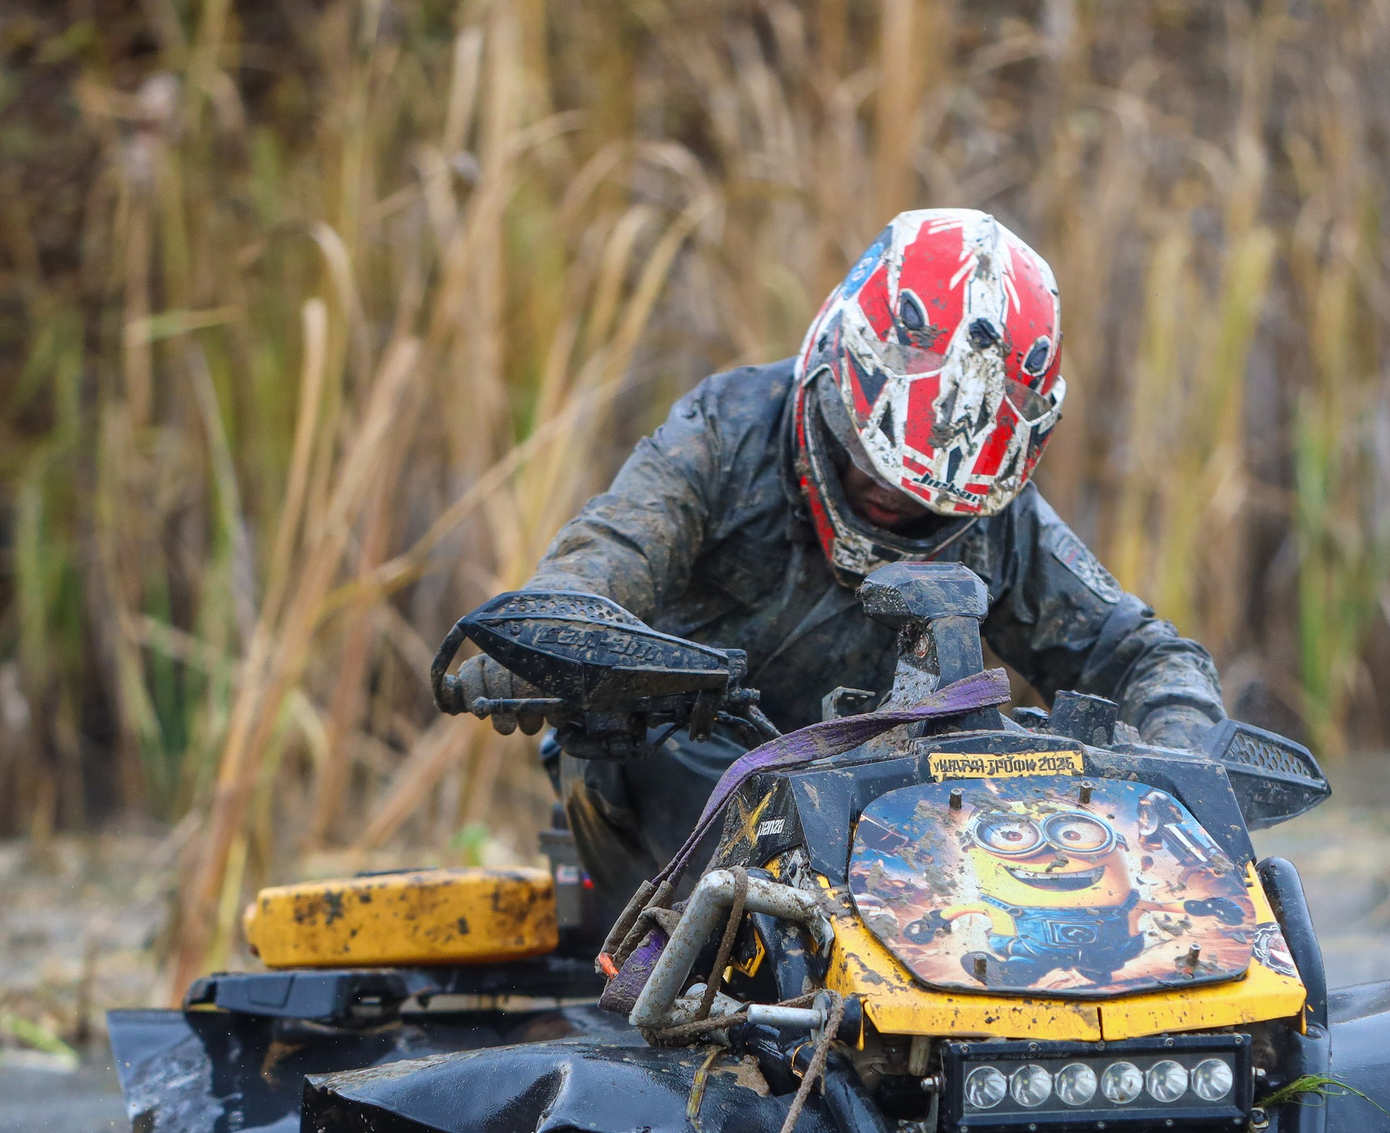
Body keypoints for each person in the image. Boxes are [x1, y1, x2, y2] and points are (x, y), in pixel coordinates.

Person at [522, 207, 1227, 897]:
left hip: (893, 825)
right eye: (872, 462)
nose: (894, 500)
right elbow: (602, 558)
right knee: (647, 746)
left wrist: (1178, 747)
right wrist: (547, 636)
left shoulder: (1003, 520)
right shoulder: (721, 435)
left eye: (931, 499)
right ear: (836, 370)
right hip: (686, 790)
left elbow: (1141, 653)